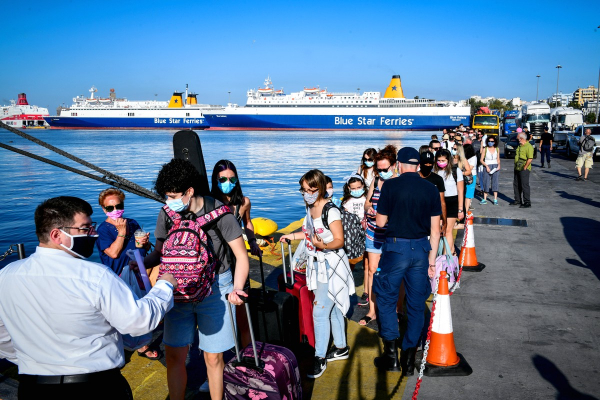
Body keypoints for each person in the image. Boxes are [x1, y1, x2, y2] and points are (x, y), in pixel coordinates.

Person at [0, 196, 176, 400]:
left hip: (33, 387)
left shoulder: (6, 276)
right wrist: (165, 285)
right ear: (57, 234)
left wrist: (34, 360)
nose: (92, 234)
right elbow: (138, 322)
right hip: (94, 386)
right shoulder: (96, 276)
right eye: (85, 229)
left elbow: (2, 337)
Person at [143, 159, 249, 400]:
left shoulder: (222, 215)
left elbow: (241, 257)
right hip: (178, 289)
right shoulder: (167, 214)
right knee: (173, 356)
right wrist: (141, 262)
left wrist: (238, 289)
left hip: (215, 290)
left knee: (214, 357)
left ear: (189, 191)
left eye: (172, 195)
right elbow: (159, 253)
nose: (168, 201)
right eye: (165, 196)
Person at [372, 147, 441, 375]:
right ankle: (409, 359)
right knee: (415, 304)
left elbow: (381, 223)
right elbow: (436, 229)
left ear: (398, 165)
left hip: (396, 248)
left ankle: (391, 356)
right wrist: (432, 261)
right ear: (419, 165)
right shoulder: (430, 188)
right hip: (421, 248)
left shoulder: (390, 185)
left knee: (386, 298)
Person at [280, 169, 354, 379]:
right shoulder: (310, 207)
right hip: (317, 263)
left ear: (320, 188)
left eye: (311, 190)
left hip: (330, 265)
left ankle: (319, 357)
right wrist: (291, 236)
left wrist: (324, 245)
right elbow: (308, 232)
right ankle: (340, 347)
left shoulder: (330, 211)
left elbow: (339, 240)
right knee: (334, 308)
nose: (307, 194)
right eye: (303, 190)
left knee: (320, 311)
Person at [95, 188, 160, 360]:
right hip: (117, 276)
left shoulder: (133, 223)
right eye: (110, 208)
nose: (115, 210)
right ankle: (121, 346)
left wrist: (145, 243)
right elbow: (113, 253)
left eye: (119, 205)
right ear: (103, 209)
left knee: (138, 309)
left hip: (137, 273)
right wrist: (122, 233)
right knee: (118, 313)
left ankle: (141, 345)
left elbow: (143, 248)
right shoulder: (103, 230)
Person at [362, 145, 398, 325]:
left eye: (385, 169)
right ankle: (372, 310)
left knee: (394, 273)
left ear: (394, 166)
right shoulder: (376, 181)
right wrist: (369, 210)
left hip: (393, 234)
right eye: (379, 169)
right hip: (373, 232)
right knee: (372, 271)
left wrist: (384, 215)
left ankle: (396, 310)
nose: (382, 172)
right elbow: (367, 203)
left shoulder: (399, 182)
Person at [210, 159, 261, 256]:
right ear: (215, 179)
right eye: (223, 179)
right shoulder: (209, 202)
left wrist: (252, 242)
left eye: (232, 179)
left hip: (236, 252)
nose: (228, 182)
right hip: (215, 253)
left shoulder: (244, 203)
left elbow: (247, 222)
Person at [434, 149, 463, 254]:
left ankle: (447, 256)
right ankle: (451, 251)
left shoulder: (455, 171)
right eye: (439, 160)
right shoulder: (434, 171)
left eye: (443, 160)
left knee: (448, 231)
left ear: (448, 160)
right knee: (439, 230)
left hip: (452, 201)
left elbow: (460, 190)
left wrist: (460, 209)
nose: (441, 163)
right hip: (438, 202)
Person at [341, 174, 367, 271]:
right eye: (353, 188)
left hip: (365, 229)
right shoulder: (346, 202)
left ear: (363, 185)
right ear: (349, 188)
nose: (356, 190)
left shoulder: (367, 199)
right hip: (352, 232)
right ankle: (349, 274)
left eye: (359, 187)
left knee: (366, 255)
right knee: (351, 257)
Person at [419, 151, 446, 234]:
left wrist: (444, 221)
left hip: (432, 217)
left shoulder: (437, 179)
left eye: (430, 163)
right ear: (420, 163)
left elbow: (442, 202)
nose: (427, 165)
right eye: (425, 163)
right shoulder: (414, 178)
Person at [511, 133, 534, 208]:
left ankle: (527, 202)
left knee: (524, 185)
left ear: (522, 138)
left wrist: (525, 167)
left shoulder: (529, 146)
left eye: (518, 139)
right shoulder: (520, 146)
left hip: (524, 168)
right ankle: (518, 200)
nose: (517, 140)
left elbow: (530, 158)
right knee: (516, 184)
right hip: (517, 167)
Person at [453, 143, 474, 216]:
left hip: (460, 182)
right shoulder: (450, 158)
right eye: (453, 148)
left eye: (455, 149)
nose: (453, 150)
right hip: (452, 182)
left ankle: (461, 213)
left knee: (461, 197)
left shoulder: (463, 160)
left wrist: (461, 173)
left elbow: (469, 171)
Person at [479, 137, 500, 205]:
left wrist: (499, 165)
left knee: (495, 182)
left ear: (494, 142)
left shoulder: (497, 149)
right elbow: (481, 160)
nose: (490, 142)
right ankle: (485, 198)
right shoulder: (485, 149)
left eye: (492, 141)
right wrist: (486, 166)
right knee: (486, 181)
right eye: (489, 141)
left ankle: (495, 199)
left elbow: (498, 159)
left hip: (495, 166)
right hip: (487, 166)